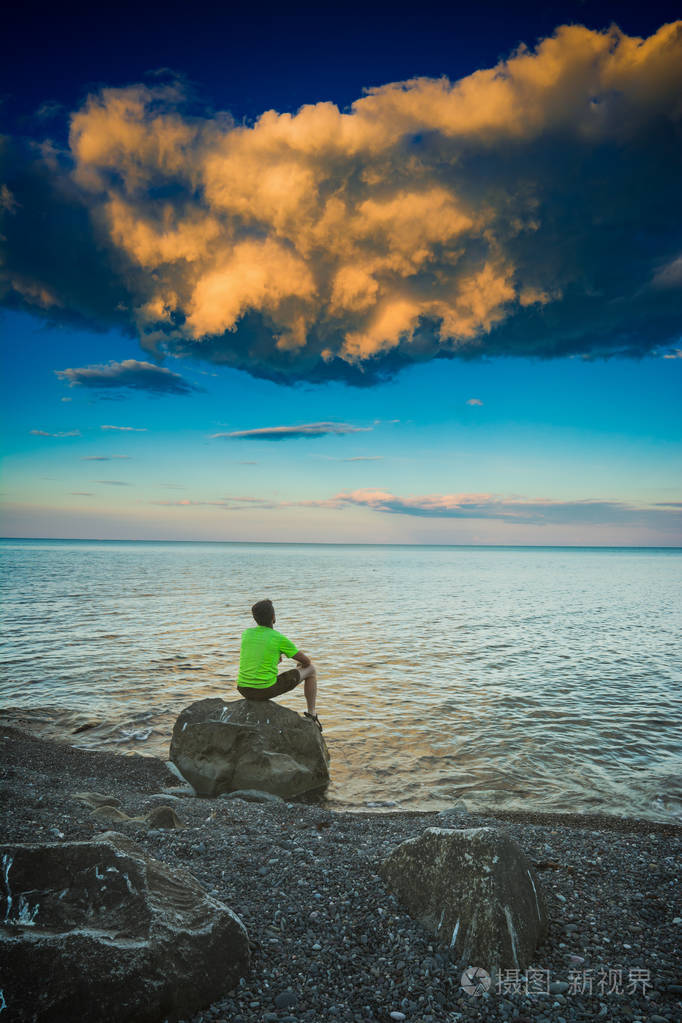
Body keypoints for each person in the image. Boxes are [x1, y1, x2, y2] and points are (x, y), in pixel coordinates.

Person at [236, 598, 322, 730]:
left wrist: (276, 657)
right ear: (273, 617)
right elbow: (307, 661)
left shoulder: (246, 634)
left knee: (300, 667)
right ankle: (312, 714)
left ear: (255, 619)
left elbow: (258, 657)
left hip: (243, 689)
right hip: (263, 690)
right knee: (311, 669)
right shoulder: (278, 638)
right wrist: (298, 664)